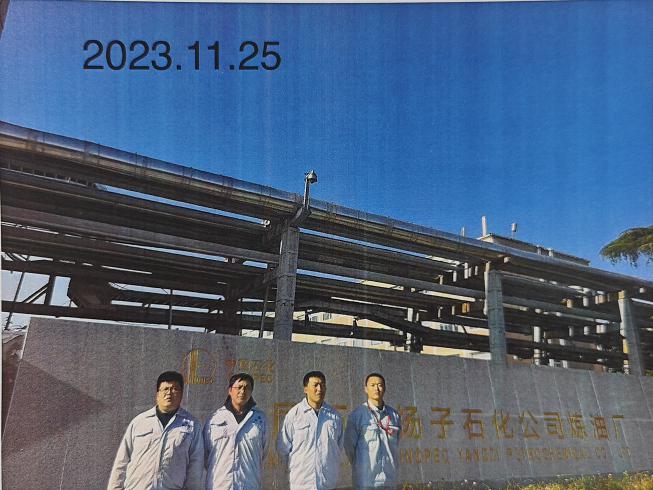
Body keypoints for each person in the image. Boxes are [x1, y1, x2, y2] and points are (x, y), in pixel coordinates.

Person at [108, 371, 204, 490]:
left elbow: (195, 467)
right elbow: (122, 461)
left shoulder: (192, 425)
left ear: (181, 394)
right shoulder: (140, 422)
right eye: (165, 389)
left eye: (175, 389)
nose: (169, 393)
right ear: (157, 395)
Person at [275, 371, 343, 490]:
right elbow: (283, 447)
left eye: (322, 385)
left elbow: (339, 446)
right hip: (302, 483)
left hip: (327, 484)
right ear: (305, 389)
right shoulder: (294, 415)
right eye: (315, 385)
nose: (319, 389)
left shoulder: (334, 416)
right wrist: (297, 466)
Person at [203, 373, 269, 490]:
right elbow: (205, 453)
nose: (242, 391)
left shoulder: (260, 419)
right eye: (238, 387)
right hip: (219, 484)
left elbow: (263, 451)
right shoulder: (215, 418)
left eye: (247, 388)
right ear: (230, 390)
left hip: (248, 484)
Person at [344, 373, 401, 490]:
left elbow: (396, 443)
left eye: (380, 385)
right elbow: (350, 447)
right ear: (366, 389)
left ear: (384, 388)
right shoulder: (357, 415)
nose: (376, 389)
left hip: (389, 479)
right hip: (366, 480)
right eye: (373, 385)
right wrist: (361, 466)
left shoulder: (394, 415)